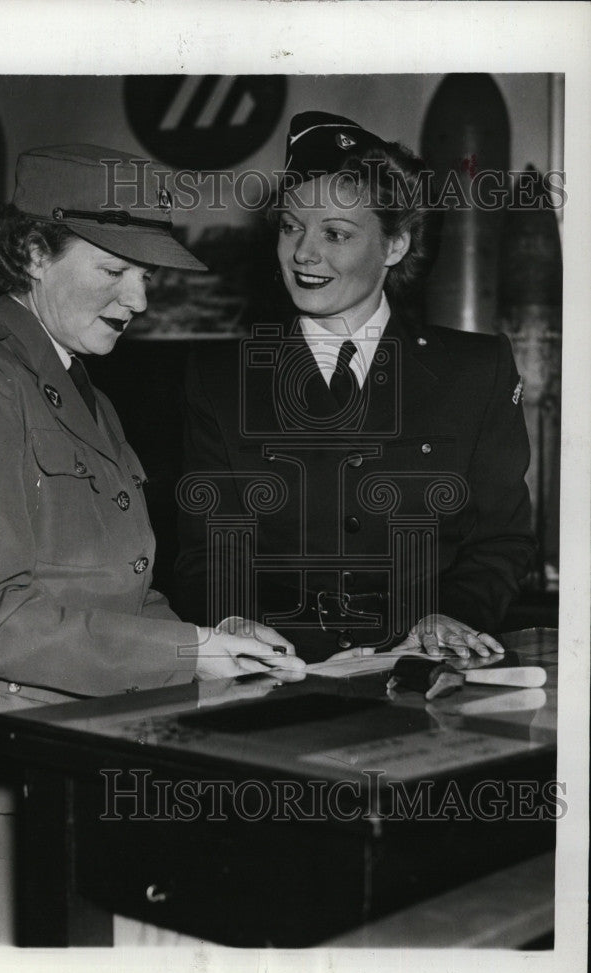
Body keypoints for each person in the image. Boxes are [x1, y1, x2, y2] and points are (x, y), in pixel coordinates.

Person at [0, 144, 307, 945]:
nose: (140, 297)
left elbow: (118, 586)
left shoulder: (81, 391)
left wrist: (213, 639)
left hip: (66, 759)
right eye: (115, 270)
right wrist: (185, 653)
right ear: (33, 253)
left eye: (147, 275)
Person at [174, 112, 536, 664]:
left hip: (423, 670)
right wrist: (231, 622)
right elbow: (205, 552)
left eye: (336, 234)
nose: (303, 254)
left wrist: (451, 616)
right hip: (279, 673)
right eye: (291, 227)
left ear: (394, 246)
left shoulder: (475, 370)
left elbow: (500, 541)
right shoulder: (220, 379)